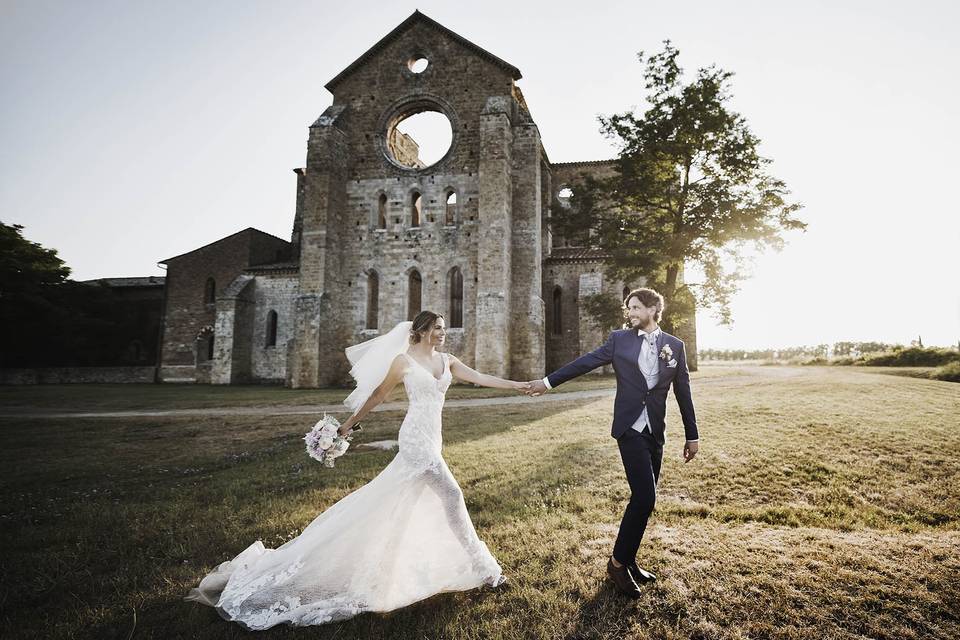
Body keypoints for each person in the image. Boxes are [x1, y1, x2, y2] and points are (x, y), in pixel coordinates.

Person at [185, 311, 528, 629]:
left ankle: (382, 569)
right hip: (415, 441)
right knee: (452, 495)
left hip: (433, 439)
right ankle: (487, 571)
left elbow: (480, 377)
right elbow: (379, 395)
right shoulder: (403, 361)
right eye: (437, 327)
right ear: (422, 331)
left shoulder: (447, 361)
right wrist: (347, 426)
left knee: (397, 505)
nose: (443, 332)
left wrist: (518, 385)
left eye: (443, 327)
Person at [525, 287, 699, 598]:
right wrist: (548, 382)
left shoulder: (675, 346)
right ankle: (617, 565)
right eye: (628, 308)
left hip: (655, 432)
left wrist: (692, 434)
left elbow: (683, 391)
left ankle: (629, 561)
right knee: (646, 498)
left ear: (652, 309)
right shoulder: (619, 340)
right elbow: (585, 362)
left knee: (643, 501)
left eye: (635, 307)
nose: (629, 313)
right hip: (629, 429)